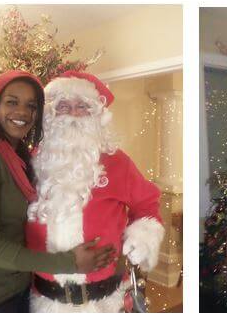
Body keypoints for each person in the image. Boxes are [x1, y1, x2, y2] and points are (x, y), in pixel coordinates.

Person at [0, 71, 114, 312]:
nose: (22, 112)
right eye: (11, 102)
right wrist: (70, 262)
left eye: (31, 105)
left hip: (17, 291)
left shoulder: (17, 154)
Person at [25, 71, 165, 312]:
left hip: (104, 303)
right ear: (50, 114)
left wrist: (142, 236)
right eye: (63, 106)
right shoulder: (31, 162)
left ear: (96, 116)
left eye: (82, 106)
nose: (72, 114)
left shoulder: (117, 162)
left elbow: (147, 204)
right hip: (45, 302)